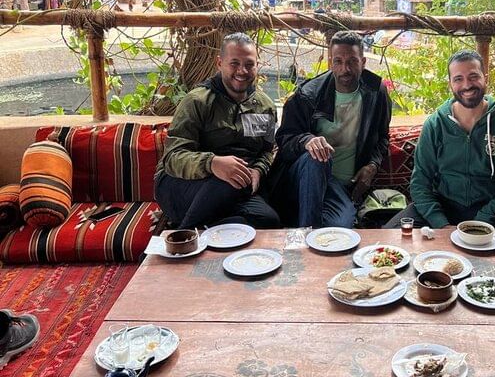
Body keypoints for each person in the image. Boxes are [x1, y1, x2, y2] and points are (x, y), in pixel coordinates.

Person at [385, 49, 495, 229]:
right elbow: (420, 183)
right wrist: (441, 224)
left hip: (489, 212)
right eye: (458, 79)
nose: (467, 85)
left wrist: (479, 225)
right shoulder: (435, 125)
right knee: (389, 237)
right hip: (441, 207)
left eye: (473, 76)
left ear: (486, 78)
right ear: (450, 84)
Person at [154, 32, 281, 229]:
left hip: (237, 188)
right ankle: (183, 235)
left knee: (269, 221)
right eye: (234, 63)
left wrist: (258, 170)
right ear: (219, 63)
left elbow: (267, 151)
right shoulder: (198, 101)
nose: (242, 71)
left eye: (249, 64)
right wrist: (212, 163)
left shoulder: (265, 107)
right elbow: (172, 158)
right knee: (227, 182)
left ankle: (211, 228)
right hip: (183, 185)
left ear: (257, 65)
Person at [269, 31, 391, 228]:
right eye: (338, 61)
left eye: (352, 61)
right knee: (317, 156)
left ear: (363, 62)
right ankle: (308, 233)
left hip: (341, 186)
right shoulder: (308, 95)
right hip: (304, 178)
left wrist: (372, 165)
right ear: (330, 63)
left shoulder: (376, 92)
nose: (345, 69)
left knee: (341, 228)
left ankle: (309, 224)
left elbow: (383, 137)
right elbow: (284, 139)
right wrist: (307, 140)